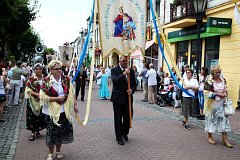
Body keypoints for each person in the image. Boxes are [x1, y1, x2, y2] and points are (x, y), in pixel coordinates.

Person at [40, 60, 79, 160]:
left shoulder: (66, 79)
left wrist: (75, 104)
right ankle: (50, 153)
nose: (59, 71)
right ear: (51, 70)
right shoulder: (46, 81)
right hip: (51, 112)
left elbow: (72, 92)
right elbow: (42, 97)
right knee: (51, 133)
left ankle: (58, 151)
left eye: (60, 69)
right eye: (57, 69)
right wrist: (56, 99)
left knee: (61, 132)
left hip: (64, 110)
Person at [204, 65, 232, 148]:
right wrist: (217, 94)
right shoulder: (209, 81)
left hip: (222, 104)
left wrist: (225, 94)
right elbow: (205, 92)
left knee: (224, 121)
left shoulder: (223, 80)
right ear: (213, 73)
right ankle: (210, 136)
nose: (219, 74)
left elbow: (226, 90)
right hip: (212, 104)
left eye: (219, 72)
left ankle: (225, 139)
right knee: (211, 120)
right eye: (217, 72)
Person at [110, 56, 136, 145]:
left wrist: (131, 90)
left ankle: (125, 132)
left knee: (128, 117)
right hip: (117, 98)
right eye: (123, 61)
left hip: (128, 98)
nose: (125, 62)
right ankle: (119, 137)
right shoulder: (114, 70)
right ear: (119, 61)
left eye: (126, 61)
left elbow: (134, 84)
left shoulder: (131, 70)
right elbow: (115, 81)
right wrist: (124, 73)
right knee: (118, 118)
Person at [25, 63, 46, 141]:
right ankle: (33, 133)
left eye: (40, 69)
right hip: (32, 101)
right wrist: (37, 94)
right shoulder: (31, 78)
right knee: (32, 117)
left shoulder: (45, 79)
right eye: (37, 69)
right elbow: (27, 90)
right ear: (34, 70)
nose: (38, 70)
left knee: (40, 116)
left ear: (42, 70)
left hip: (41, 101)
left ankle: (38, 131)